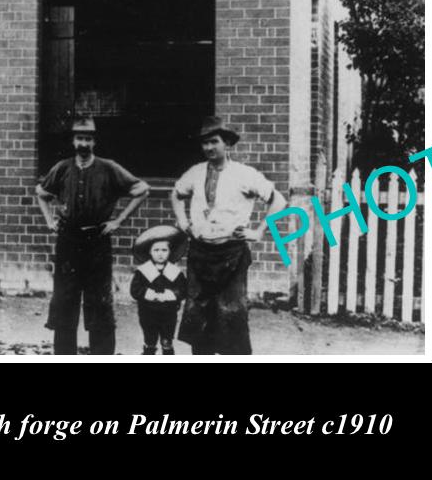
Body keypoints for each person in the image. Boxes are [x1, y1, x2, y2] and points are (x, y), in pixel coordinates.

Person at [170, 116, 288, 355]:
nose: (209, 148)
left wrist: (259, 231)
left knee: (231, 315)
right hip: (200, 254)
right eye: (204, 143)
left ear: (227, 144)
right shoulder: (195, 172)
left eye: (214, 142)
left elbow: (279, 201)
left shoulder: (245, 174)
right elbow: (176, 194)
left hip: (231, 255)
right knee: (199, 314)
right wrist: (183, 221)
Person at [35, 116, 150, 355]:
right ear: (73, 141)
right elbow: (41, 192)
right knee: (65, 299)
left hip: (97, 241)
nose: (83, 144)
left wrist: (119, 220)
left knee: (99, 300)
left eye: (88, 139)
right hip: (68, 240)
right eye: (79, 138)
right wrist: (49, 220)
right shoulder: (63, 167)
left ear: (94, 142)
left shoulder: (108, 168)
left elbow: (141, 189)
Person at [129, 225, 188, 355]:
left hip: (169, 313)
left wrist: (172, 294)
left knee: (167, 340)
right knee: (150, 339)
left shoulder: (175, 272)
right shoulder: (143, 271)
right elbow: (135, 290)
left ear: (170, 252)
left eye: (164, 250)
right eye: (156, 250)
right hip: (148, 312)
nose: (160, 253)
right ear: (149, 252)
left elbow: (183, 290)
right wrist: (149, 294)